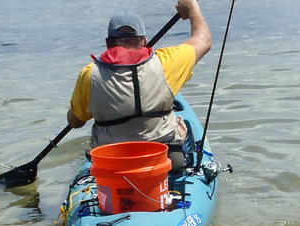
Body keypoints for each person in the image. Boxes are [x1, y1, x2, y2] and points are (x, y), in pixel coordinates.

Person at [66, 0, 212, 169]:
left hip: (112, 164)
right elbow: (204, 40)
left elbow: (75, 122)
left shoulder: (89, 74)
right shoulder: (166, 63)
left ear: (108, 43)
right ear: (144, 41)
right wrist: (192, 7)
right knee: (180, 126)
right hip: (164, 158)